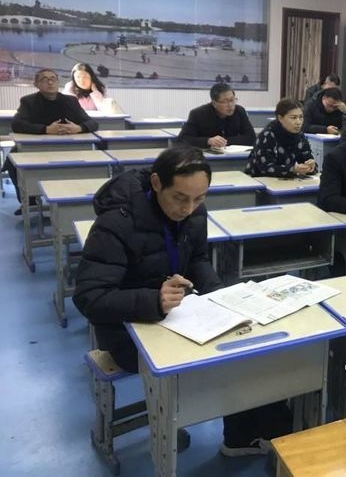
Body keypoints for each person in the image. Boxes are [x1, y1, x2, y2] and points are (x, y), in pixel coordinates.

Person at [73, 146, 292, 457]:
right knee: (229, 360)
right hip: (127, 333)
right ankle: (246, 431)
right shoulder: (116, 224)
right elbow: (89, 297)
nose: (189, 208)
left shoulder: (193, 212)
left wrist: (219, 294)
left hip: (178, 316)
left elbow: (197, 259)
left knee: (254, 343)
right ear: (156, 183)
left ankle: (246, 436)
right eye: (180, 198)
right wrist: (153, 300)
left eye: (199, 198)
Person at [4, 68, 99, 213]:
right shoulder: (29, 101)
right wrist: (46, 129)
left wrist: (79, 128)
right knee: (12, 162)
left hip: (67, 149)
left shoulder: (70, 101)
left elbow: (92, 123)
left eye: (53, 79)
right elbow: (17, 124)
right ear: (36, 84)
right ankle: (29, 201)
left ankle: (77, 197)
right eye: (44, 79)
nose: (50, 82)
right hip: (35, 150)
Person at [246, 98, 317, 177]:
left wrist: (310, 166)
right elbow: (266, 168)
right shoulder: (267, 135)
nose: (298, 122)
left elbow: (307, 159)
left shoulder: (300, 136)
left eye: (301, 117)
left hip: (287, 181)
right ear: (280, 118)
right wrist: (293, 169)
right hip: (258, 180)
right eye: (293, 117)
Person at [177, 83, 256, 150]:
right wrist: (208, 141)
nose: (230, 105)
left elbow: (251, 137)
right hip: (206, 156)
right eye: (225, 101)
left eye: (232, 100)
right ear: (214, 103)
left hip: (232, 154)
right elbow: (183, 139)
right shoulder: (198, 114)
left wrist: (224, 141)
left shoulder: (239, 111)